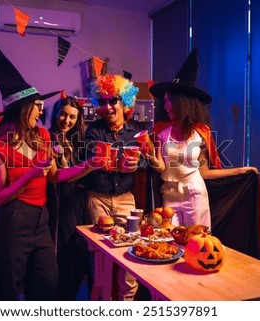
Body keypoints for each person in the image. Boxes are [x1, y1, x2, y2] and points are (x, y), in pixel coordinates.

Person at [0, 40, 100, 301]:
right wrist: (30, 173)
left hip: (42, 220)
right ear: (21, 109)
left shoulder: (43, 136)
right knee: (8, 291)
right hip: (14, 221)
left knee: (48, 286)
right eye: (36, 105)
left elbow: (56, 175)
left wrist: (89, 164)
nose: (41, 110)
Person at [147, 48, 258, 228]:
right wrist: (152, 157)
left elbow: (204, 172)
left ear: (183, 103)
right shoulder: (161, 131)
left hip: (195, 195)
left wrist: (239, 171)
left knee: (197, 243)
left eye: (170, 100)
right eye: (165, 100)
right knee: (168, 240)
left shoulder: (200, 132)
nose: (166, 106)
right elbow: (161, 167)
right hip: (170, 195)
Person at [85, 73, 147, 301]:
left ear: (124, 102)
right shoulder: (93, 130)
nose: (108, 106)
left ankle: (126, 304)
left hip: (126, 199)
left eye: (113, 100)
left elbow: (148, 160)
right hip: (97, 198)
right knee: (100, 256)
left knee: (129, 251)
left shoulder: (137, 130)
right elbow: (92, 158)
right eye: (102, 101)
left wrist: (138, 162)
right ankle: (102, 303)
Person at [48, 92, 93, 300]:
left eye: (72, 117)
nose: (67, 120)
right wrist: (88, 166)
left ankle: (72, 297)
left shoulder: (79, 140)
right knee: (64, 255)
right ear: (55, 114)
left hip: (80, 201)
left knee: (82, 252)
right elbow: (57, 176)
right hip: (60, 200)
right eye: (63, 114)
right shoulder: (47, 137)